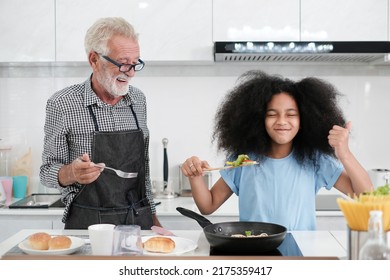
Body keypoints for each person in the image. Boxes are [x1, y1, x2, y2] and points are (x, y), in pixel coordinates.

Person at [181, 70, 373, 231]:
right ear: (258, 120)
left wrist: (345, 154)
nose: (281, 121)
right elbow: (208, 205)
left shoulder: (314, 160)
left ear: (304, 120)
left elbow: (366, 197)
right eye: (272, 114)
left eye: (291, 114)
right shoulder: (244, 160)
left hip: (300, 255)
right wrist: (195, 176)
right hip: (254, 254)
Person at [40, 17, 161, 229]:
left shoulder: (138, 101)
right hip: (87, 225)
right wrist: (72, 173)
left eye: (135, 63)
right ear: (94, 59)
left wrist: (154, 222)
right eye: (123, 63)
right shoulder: (63, 103)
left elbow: (143, 171)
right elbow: (47, 172)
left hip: (137, 223)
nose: (131, 72)